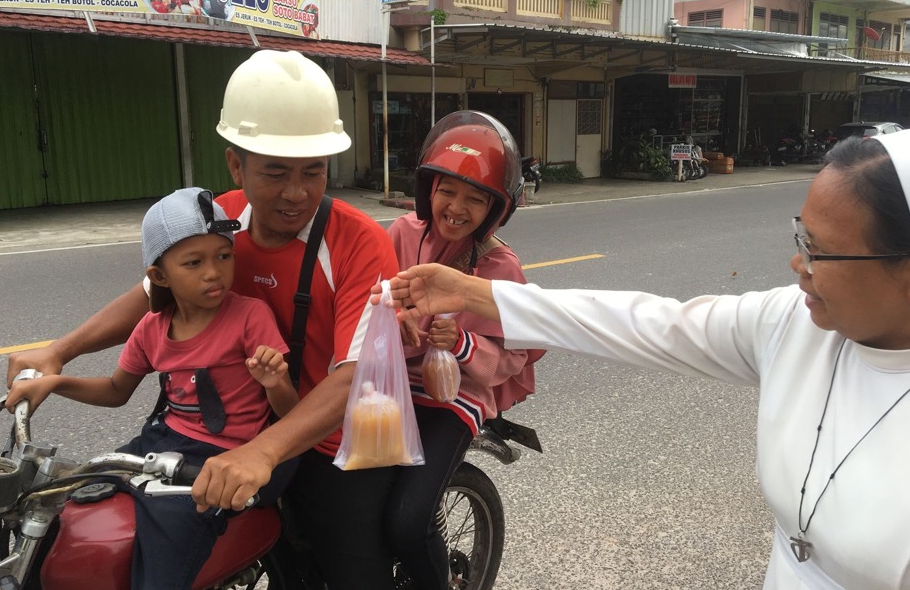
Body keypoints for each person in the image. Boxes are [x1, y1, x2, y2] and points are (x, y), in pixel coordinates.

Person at [376, 131, 910, 590]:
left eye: (818, 249)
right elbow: (643, 322)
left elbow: (512, 355)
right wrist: (470, 295)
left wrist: (468, 320)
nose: (797, 264)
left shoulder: (500, 260)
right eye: (801, 237)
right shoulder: (790, 323)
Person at [7, 50, 400, 590]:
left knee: (351, 569)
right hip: (223, 434)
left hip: (324, 439)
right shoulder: (220, 220)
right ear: (235, 165)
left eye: (314, 172)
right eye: (275, 172)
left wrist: (264, 449)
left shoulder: (360, 241)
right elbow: (153, 295)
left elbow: (357, 374)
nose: (296, 193)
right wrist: (60, 352)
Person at [5, 186, 297, 590]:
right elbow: (114, 390)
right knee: (67, 497)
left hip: (225, 455)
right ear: (159, 276)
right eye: (193, 262)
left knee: (172, 535)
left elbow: (290, 412)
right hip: (162, 442)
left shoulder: (251, 316)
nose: (213, 272)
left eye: (223, 256)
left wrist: (275, 381)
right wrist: (56, 383)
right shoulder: (151, 328)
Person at [383, 111, 544, 588]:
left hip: (456, 398)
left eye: (475, 199)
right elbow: (365, 298)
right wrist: (394, 317)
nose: (456, 207)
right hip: (391, 382)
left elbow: (515, 354)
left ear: (496, 210)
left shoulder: (501, 267)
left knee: (409, 521)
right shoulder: (401, 234)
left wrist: (462, 343)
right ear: (427, 189)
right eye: (447, 191)